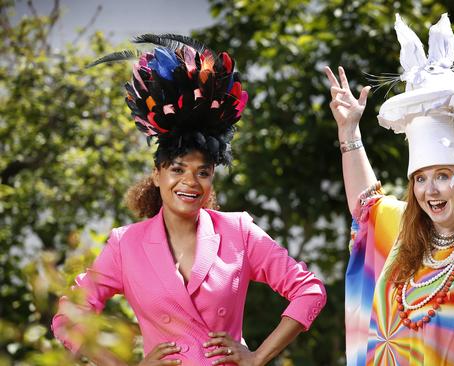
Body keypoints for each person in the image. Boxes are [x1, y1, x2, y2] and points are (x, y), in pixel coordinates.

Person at [52, 35, 326, 366]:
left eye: (203, 172)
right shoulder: (125, 244)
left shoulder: (238, 231)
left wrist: (257, 357)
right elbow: (70, 316)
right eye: (178, 169)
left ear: (212, 179)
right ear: (157, 174)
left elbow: (309, 290)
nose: (190, 182)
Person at [324, 14, 454, 365]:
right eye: (420, 178)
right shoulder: (405, 232)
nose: (430, 190)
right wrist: (349, 133)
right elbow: (366, 206)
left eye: (442, 175)